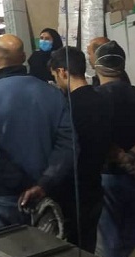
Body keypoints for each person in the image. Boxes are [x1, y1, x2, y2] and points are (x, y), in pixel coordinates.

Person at [0, 34, 74, 229]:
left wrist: (20, 182)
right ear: (24, 57)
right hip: (43, 195)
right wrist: (42, 184)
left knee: (3, 244)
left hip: (1, 197)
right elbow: (68, 146)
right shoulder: (54, 94)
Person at [93, 41, 135, 257]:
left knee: (108, 241)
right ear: (122, 66)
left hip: (105, 178)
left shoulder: (94, 98)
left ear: (96, 66)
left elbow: (90, 136)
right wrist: (131, 155)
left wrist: (115, 155)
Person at [48, 47, 113, 253]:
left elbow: (63, 150)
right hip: (94, 186)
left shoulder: (67, 106)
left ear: (62, 72)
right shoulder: (103, 101)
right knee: (86, 245)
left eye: (55, 76)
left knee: (64, 247)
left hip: (70, 190)